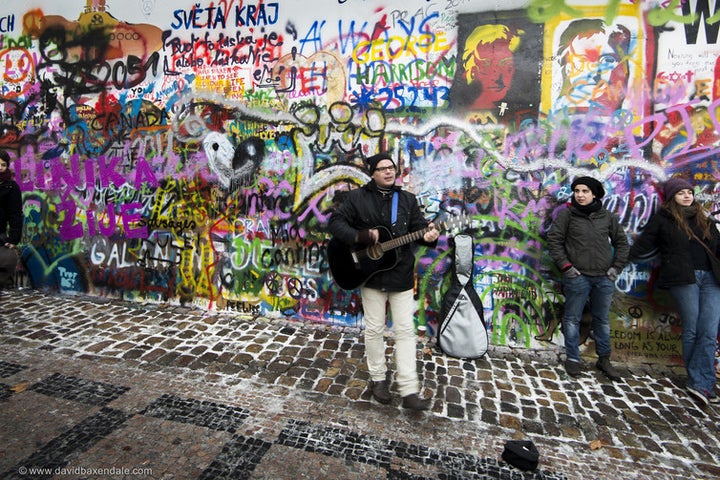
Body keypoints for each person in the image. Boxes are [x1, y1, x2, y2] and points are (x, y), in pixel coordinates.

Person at [328, 152, 439, 410]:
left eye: (392, 168)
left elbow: (418, 230)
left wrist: (429, 236)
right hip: (369, 274)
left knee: (405, 331)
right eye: (383, 168)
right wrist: (361, 236)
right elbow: (334, 224)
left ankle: (409, 389)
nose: (389, 172)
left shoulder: (407, 200)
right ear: (373, 173)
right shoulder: (357, 198)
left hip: (400, 273)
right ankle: (378, 378)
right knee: (375, 329)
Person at [629, 177, 720, 406]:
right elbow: (643, 245)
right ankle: (701, 383)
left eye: (689, 192)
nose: (687, 196)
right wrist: (614, 262)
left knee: (708, 331)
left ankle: (701, 383)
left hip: (711, 278)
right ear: (672, 197)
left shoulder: (705, 219)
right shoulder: (663, 219)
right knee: (692, 328)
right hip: (683, 279)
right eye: (681, 193)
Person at [547, 176, 629, 380]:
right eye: (577, 191)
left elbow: (622, 242)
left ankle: (604, 359)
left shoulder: (607, 217)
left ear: (594, 194)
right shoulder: (567, 216)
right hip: (578, 277)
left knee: (601, 320)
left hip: (603, 278)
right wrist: (566, 267)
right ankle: (573, 358)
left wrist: (615, 268)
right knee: (572, 318)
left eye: (585, 191)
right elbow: (554, 240)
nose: (580, 195)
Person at [553, 18, 632, 115]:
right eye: (583, 60)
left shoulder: (618, 111)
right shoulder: (560, 111)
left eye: (606, 60)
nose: (594, 71)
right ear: (567, 67)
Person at [0, 150, 22, 289]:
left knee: (7, 260)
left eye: (2, 164)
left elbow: (15, 215)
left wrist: (13, 239)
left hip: (0, 233)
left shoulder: (11, 187)